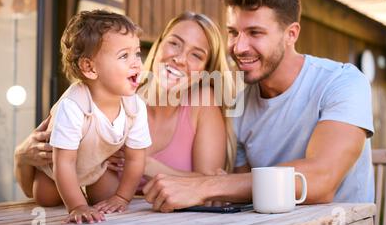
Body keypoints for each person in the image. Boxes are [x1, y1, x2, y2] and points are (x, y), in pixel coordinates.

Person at [142, 0, 375, 212]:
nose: (239, 47)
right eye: (233, 33)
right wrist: (216, 186)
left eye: (255, 33)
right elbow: (241, 193)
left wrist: (207, 185)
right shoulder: (239, 106)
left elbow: (320, 181)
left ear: (291, 34)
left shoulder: (342, 82)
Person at [14, 12, 236, 205]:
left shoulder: (202, 103)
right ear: (158, 45)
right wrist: (21, 158)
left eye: (196, 55)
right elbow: (41, 194)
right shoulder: (117, 93)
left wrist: (146, 164)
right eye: (174, 43)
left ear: (206, 70)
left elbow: (213, 187)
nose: (179, 58)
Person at [31, 10, 151, 223]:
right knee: (45, 198)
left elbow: (136, 158)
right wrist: (77, 206)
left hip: (95, 168)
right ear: (89, 67)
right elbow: (64, 163)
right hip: (55, 170)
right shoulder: (73, 106)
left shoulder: (135, 107)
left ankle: (88, 193)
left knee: (107, 197)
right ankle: (72, 195)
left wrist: (122, 197)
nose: (136, 63)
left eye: (137, 54)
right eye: (124, 56)